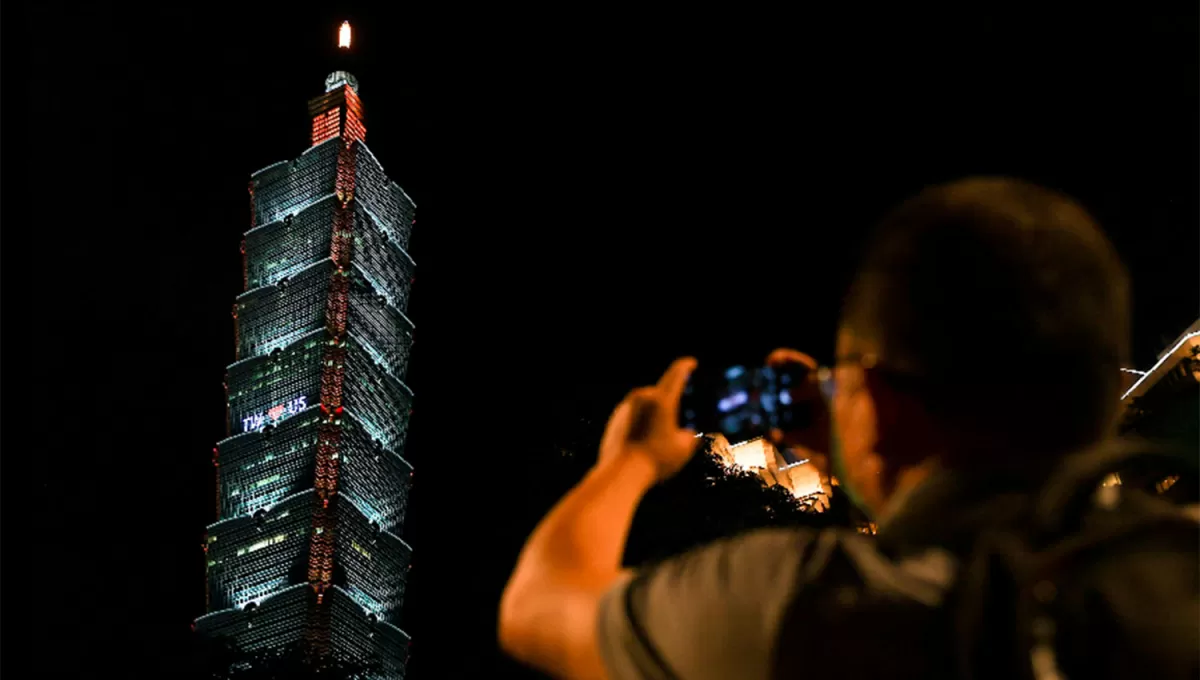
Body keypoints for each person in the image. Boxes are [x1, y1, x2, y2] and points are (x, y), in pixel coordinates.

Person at [498, 177, 1198, 679]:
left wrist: (632, 461)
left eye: (852, 374)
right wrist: (874, 437)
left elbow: (538, 609)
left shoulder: (814, 605)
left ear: (882, 400)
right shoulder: (1174, 569)